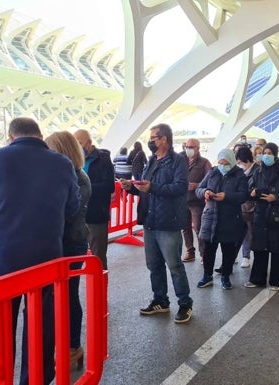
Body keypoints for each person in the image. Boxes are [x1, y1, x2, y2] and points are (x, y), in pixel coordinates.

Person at [0, 117, 80, 385]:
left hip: (0, 261)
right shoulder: (63, 164)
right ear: (39, 134)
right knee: (41, 329)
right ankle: (35, 380)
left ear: (11, 136)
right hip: (47, 261)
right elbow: (72, 211)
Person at [119, 123, 193, 323]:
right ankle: (160, 300)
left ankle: (185, 303)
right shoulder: (151, 160)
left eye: (153, 137)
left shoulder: (178, 161)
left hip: (168, 221)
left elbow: (179, 188)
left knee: (174, 265)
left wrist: (152, 187)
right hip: (150, 220)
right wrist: (132, 188)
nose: (150, 141)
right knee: (154, 265)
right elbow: (146, 187)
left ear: (164, 139)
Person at [45, 131, 91, 370]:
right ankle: (64, 344)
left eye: (50, 148)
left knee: (68, 296)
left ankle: (73, 345)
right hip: (60, 242)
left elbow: (66, 212)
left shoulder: (78, 178)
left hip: (71, 243)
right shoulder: (64, 175)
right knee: (56, 297)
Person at [244, 143, 279, 290]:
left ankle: (275, 281)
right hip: (261, 214)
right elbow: (250, 187)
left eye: (268, 152)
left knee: (277, 248)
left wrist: (277, 197)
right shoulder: (258, 171)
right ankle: (257, 279)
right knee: (260, 247)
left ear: (275, 154)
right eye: (264, 152)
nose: (265, 155)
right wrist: (253, 192)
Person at [195, 149, 248, 289]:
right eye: (220, 163)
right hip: (210, 217)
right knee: (209, 249)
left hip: (230, 218)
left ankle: (225, 276)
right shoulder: (213, 172)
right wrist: (205, 192)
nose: (222, 166)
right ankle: (207, 276)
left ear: (231, 162)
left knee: (228, 249)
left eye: (225, 163)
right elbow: (199, 189)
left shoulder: (239, 175)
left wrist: (227, 196)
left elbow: (243, 195)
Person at [74, 129, 115, 270]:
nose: (77, 147)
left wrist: (86, 187)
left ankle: (100, 290)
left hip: (96, 215)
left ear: (89, 142)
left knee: (98, 259)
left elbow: (109, 186)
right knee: (75, 258)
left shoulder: (103, 159)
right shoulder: (73, 158)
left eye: (80, 143)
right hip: (77, 216)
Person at [181, 138, 212, 262]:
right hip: (182, 200)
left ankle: (203, 253)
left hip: (196, 202)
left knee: (199, 227)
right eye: (187, 147)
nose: (188, 149)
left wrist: (197, 185)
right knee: (185, 227)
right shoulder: (181, 161)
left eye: (192, 147)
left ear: (198, 148)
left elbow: (210, 180)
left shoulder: (204, 163)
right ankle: (189, 250)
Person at [236, 146, 257, 268]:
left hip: (252, 208)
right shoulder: (239, 172)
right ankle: (233, 256)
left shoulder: (257, 171)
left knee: (248, 232)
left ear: (247, 160)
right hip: (239, 207)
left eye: (240, 162)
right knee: (237, 233)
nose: (239, 165)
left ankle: (246, 256)